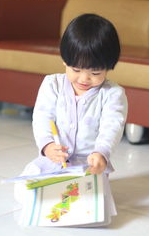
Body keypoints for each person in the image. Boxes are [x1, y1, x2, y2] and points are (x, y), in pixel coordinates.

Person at [15, 13, 128, 224]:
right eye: (76, 70)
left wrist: (101, 153)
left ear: (109, 66)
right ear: (64, 60)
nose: (84, 79)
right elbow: (41, 117)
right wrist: (47, 145)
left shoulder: (112, 93)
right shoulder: (52, 85)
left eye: (95, 73)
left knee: (95, 209)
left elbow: (112, 126)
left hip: (89, 165)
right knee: (23, 188)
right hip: (54, 159)